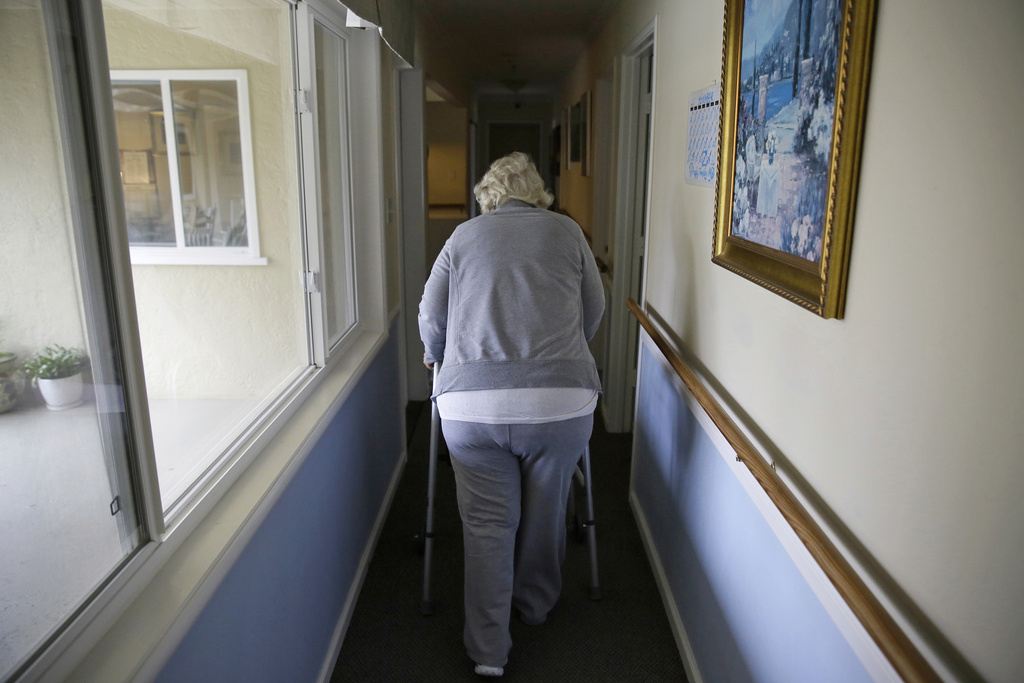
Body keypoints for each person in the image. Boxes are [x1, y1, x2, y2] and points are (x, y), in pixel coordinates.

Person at [418, 152, 604, 677]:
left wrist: (435, 353)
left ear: (489, 197)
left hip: (470, 404)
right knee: (546, 514)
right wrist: (565, 352)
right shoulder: (567, 231)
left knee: (486, 526)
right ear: (537, 192)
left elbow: (431, 314)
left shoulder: (462, 237)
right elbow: (594, 307)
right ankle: (535, 606)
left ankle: (488, 652)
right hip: (559, 404)